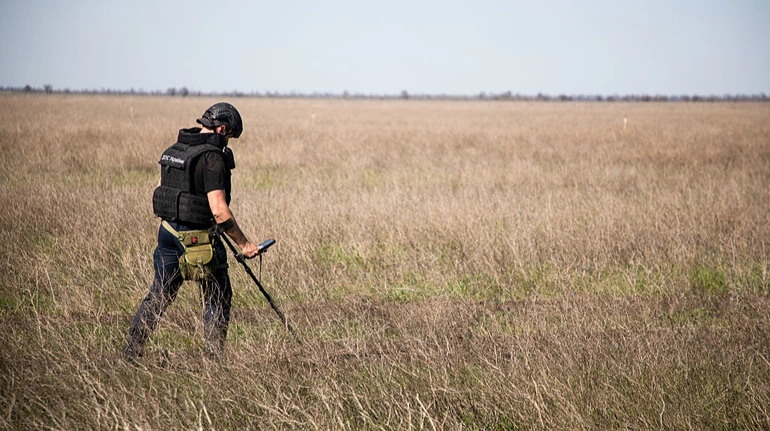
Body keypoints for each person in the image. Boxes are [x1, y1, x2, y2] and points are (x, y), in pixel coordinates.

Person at [123, 102, 260, 361]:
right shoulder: (212, 158)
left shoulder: (176, 150)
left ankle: (131, 354)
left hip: (167, 233)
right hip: (198, 240)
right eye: (229, 136)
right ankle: (213, 361)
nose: (228, 143)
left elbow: (164, 189)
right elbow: (219, 211)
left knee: (159, 296)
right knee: (218, 296)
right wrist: (244, 244)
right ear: (221, 129)